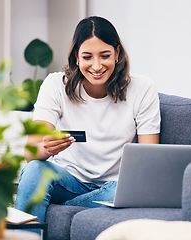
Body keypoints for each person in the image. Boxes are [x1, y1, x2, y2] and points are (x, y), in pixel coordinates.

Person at [14, 16, 161, 225]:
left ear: (117, 53)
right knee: (34, 170)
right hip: (68, 181)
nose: (97, 65)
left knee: (131, 189)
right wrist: (46, 148)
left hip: (116, 186)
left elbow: (149, 161)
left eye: (105, 55)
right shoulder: (55, 85)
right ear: (76, 56)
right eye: (87, 56)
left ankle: (67, 209)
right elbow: (30, 154)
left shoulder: (142, 88)